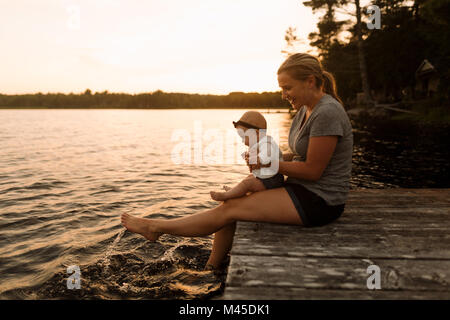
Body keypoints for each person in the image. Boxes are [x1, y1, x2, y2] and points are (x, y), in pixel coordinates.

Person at [121, 53, 353, 270]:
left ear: (310, 81)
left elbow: (313, 170)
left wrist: (269, 163)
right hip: (301, 188)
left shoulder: (327, 113)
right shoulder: (306, 109)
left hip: (321, 201)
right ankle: (212, 267)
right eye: (282, 89)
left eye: (287, 88)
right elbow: (302, 154)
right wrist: (274, 158)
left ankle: (156, 228)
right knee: (232, 205)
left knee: (231, 209)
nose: (284, 95)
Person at [209, 110, 284, 202]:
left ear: (256, 133)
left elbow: (266, 156)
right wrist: (248, 157)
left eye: (245, 137)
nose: (243, 142)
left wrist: (256, 159)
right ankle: (234, 191)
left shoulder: (267, 143)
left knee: (247, 184)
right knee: (249, 178)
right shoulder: (257, 143)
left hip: (273, 180)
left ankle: (226, 195)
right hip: (267, 177)